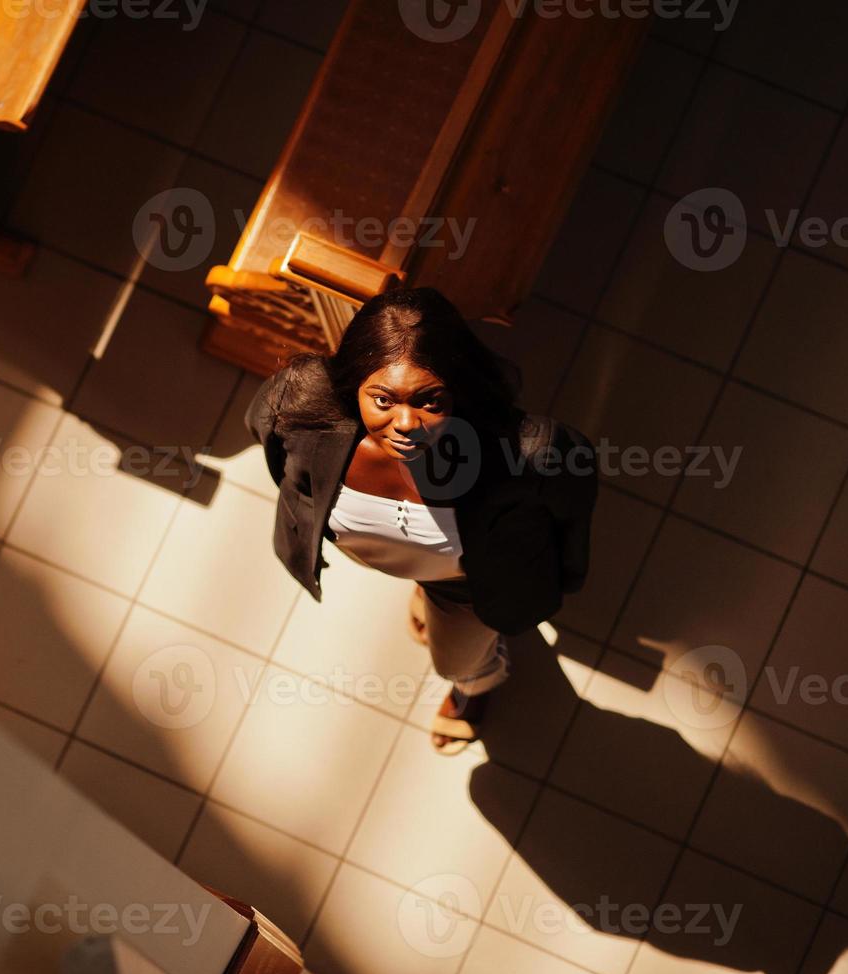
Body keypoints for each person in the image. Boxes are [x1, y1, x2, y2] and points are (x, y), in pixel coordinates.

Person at [246, 288, 597, 754]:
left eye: (430, 400)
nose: (407, 423)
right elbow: (270, 443)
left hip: (466, 586)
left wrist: (561, 577)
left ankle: (473, 686)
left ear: (459, 386)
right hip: (377, 552)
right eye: (383, 400)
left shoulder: (529, 451)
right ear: (353, 384)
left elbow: (572, 510)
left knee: (457, 661)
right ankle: (422, 586)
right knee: (417, 575)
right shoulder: (299, 404)